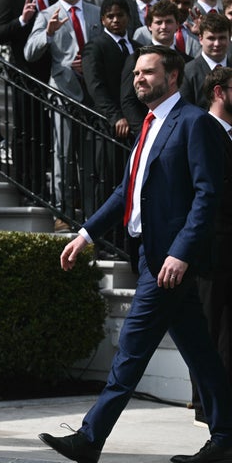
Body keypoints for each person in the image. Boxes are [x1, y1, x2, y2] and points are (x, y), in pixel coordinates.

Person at [39, 45, 232, 463]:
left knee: (131, 347)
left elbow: (206, 195)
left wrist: (181, 252)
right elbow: (127, 191)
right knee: (201, 351)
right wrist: (86, 234)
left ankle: (90, 438)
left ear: (173, 77)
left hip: (168, 260)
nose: (139, 79)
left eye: (148, 72)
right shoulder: (149, 125)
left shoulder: (193, 123)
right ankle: (226, 437)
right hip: (148, 255)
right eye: (137, 73)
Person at [24, 0, 102, 231]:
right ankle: (63, 213)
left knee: (90, 162)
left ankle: (92, 216)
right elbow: (29, 52)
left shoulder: (95, 11)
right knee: (63, 156)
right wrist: (47, 33)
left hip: (92, 97)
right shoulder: (48, 14)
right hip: (63, 93)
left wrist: (90, 63)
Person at [191, 66, 232, 427]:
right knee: (206, 327)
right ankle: (205, 407)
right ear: (219, 92)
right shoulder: (202, 128)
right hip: (208, 248)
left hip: (228, 248)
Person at [0, 0, 59, 199]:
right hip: (24, 75)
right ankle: (26, 186)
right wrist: (21, 20)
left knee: (46, 132)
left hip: (53, 72)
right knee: (27, 131)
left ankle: (43, 184)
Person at [82, 0, 141, 204]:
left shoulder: (138, 47)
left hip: (136, 124)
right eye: (110, 16)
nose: (116, 20)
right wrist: (115, 117)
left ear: (129, 17)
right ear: (103, 20)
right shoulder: (95, 46)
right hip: (108, 125)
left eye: (120, 15)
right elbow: (95, 86)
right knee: (107, 179)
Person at [122, 1, 194, 136]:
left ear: (177, 25)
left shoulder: (188, 61)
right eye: (158, 22)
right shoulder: (136, 59)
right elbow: (128, 100)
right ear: (149, 26)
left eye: (169, 22)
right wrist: (144, 132)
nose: (164, 27)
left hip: (182, 131)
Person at [180, 12, 232, 108]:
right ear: (200, 38)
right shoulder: (187, 73)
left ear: (229, 38)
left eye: (222, 38)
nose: (217, 43)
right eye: (211, 38)